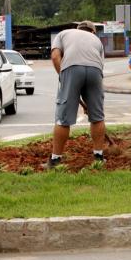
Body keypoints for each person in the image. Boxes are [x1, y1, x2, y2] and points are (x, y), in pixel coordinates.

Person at [44, 20, 106, 169]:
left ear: (77, 29)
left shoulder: (64, 34)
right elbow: (98, 66)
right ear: (92, 32)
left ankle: (55, 160)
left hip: (71, 68)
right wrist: (89, 103)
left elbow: (55, 56)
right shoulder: (96, 40)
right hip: (95, 71)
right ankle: (99, 157)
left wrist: (62, 76)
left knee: (63, 119)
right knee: (97, 117)